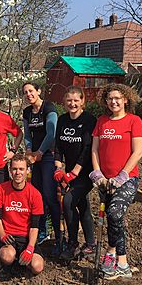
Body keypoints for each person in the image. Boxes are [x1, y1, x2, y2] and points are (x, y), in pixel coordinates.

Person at [90, 83, 142, 280]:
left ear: (125, 100)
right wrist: (97, 173)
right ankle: (122, 263)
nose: (114, 101)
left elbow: (138, 151)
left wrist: (122, 175)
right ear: (105, 101)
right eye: (110, 98)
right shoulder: (102, 121)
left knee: (114, 213)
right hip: (105, 181)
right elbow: (95, 149)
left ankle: (111, 253)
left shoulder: (133, 121)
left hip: (127, 179)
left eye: (117, 98)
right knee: (115, 219)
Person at [53, 86, 97, 261]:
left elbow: (87, 150)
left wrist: (74, 173)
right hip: (69, 171)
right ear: (64, 102)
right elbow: (58, 146)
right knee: (82, 204)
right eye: (69, 100)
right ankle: (91, 243)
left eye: (76, 100)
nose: (72, 104)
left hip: (85, 172)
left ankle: (72, 243)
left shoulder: (89, 120)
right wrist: (58, 168)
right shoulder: (62, 120)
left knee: (69, 201)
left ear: (82, 101)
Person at [22, 82, 60, 254]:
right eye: (25, 92)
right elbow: (27, 134)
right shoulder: (27, 112)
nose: (29, 94)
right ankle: (42, 231)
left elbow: (51, 133)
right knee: (37, 197)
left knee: (50, 195)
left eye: (31, 91)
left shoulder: (49, 108)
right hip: (34, 158)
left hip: (47, 156)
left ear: (38, 91)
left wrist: (40, 152)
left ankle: (58, 234)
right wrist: (29, 151)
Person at [0, 154, 45, 275]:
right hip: (8, 236)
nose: (18, 172)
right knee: (7, 256)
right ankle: (9, 263)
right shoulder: (0, 189)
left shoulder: (35, 194)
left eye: (21, 169)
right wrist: (2, 236)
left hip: (25, 237)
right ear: (10, 170)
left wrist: (30, 248)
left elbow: (34, 226)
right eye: (15, 169)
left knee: (37, 267)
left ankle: (22, 261)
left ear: (28, 170)